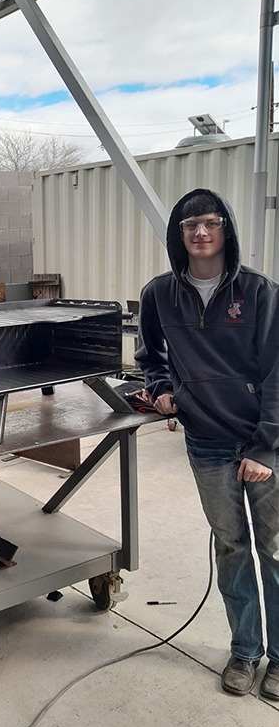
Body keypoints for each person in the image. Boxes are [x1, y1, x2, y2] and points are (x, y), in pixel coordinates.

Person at [135, 188, 279, 700]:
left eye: (209, 222)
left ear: (226, 228)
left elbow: (278, 374)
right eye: (189, 224)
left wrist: (267, 448)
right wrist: (162, 390)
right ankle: (245, 651)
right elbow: (148, 354)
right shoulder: (159, 294)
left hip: (261, 445)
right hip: (207, 444)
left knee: (275, 551)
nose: (200, 232)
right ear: (179, 234)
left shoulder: (260, 292)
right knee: (232, 548)